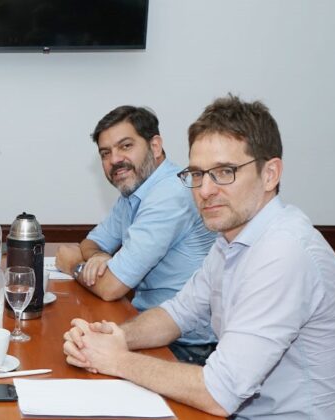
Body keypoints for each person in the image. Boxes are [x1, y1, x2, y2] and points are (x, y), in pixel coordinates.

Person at [62, 95, 335, 420]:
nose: (205, 190)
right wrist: (118, 337)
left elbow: (219, 393)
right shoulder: (232, 240)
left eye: (225, 172)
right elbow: (176, 315)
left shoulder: (284, 252)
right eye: (198, 174)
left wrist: (118, 361)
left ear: (270, 173)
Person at [55, 106, 217, 364]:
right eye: (105, 153)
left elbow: (110, 287)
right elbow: (92, 241)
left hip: (186, 347)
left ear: (155, 146)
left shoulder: (169, 194)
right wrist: (97, 256)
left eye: (126, 146)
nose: (115, 159)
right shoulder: (135, 190)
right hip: (147, 327)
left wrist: (74, 264)